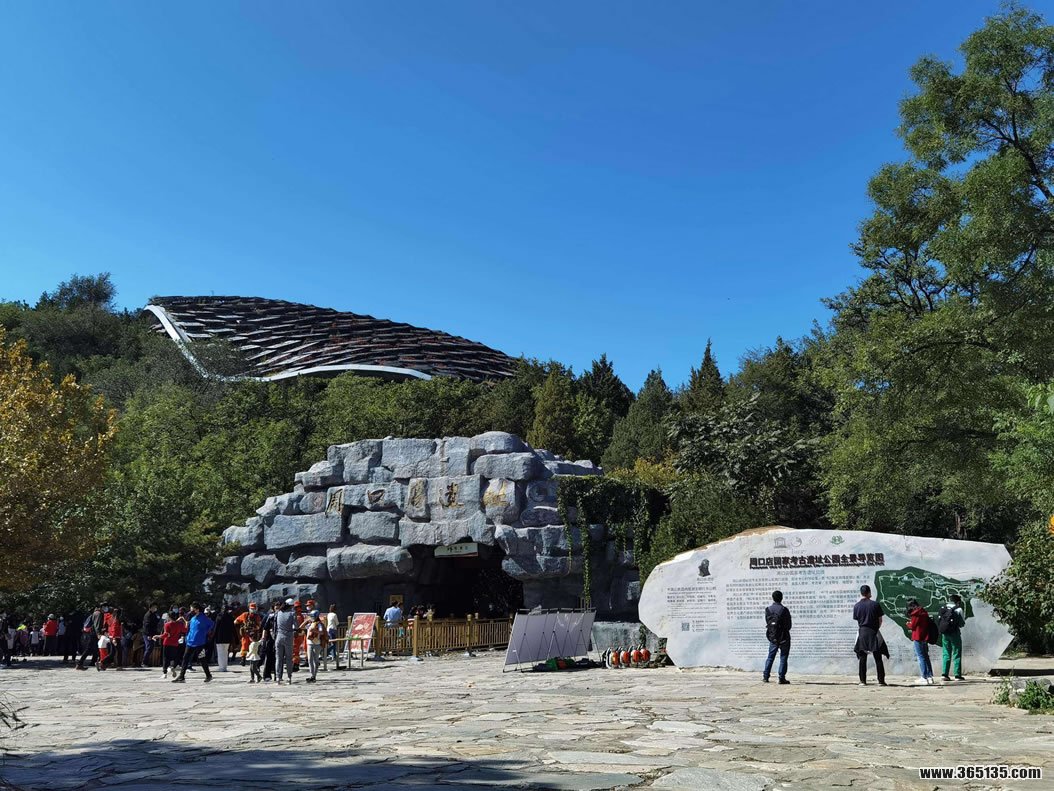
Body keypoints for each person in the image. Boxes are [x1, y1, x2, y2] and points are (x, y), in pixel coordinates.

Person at [852, 585, 888, 686]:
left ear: (861, 593)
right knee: (878, 657)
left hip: (862, 633)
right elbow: (880, 620)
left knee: (862, 658)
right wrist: (876, 628)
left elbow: (857, 619)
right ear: (869, 592)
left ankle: (862, 680)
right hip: (873, 632)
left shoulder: (857, 606)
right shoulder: (875, 604)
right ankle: (881, 680)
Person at [172, 603, 214, 684]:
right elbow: (190, 628)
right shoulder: (193, 618)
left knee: (202, 659)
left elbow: (212, 624)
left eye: (192, 610)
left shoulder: (204, 618)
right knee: (185, 658)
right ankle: (181, 676)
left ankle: (208, 675)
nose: (191, 611)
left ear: (197, 609)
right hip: (190, 642)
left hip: (199, 643)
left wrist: (205, 632)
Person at [762, 590, 792, 684]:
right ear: (781, 598)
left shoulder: (768, 609)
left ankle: (766, 676)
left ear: (773, 598)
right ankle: (781, 678)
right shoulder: (784, 610)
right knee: (783, 657)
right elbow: (789, 625)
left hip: (773, 637)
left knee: (770, 657)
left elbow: (768, 622)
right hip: (784, 637)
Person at [938, 594, 967, 682]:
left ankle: (944, 674)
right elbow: (962, 624)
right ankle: (957, 675)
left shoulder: (943, 608)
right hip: (955, 634)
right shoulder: (959, 609)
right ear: (957, 602)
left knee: (946, 653)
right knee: (956, 653)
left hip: (945, 634)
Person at [906, 598, 935, 685]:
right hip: (924, 637)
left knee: (920, 657)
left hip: (917, 637)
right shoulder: (923, 612)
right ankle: (929, 677)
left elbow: (913, 626)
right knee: (926, 656)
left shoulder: (915, 614)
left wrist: (908, 624)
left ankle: (924, 677)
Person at [273, 599, 300, 685]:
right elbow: (296, 626)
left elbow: (275, 626)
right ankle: (289, 677)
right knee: (289, 658)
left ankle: (278, 677)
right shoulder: (292, 614)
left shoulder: (278, 613)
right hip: (288, 637)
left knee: (278, 658)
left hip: (279, 636)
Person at [75, 605, 105, 671]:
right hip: (95, 634)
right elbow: (97, 624)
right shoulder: (99, 613)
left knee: (92, 649)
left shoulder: (95, 613)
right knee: (94, 648)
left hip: (93, 633)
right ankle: (101, 664)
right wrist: (98, 633)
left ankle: (81, 664)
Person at [160, 609, 185, 678]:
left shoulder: (167, 624)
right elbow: (185, 630)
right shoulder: (180, 624)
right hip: (175, 643)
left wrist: (158, 636)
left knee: (165, 658)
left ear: (169, 617)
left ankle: (164, 673)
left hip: (167, 642)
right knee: (173, 657)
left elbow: (166, 635)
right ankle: (172, 666)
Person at [304, 610, 325, 683]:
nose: (311, 617)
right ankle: (312, 675)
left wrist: (314, 630)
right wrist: (306, 621)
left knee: (315, 660)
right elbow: (301, 627)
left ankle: (314, 675)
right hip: (309, 643)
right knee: (310, 659)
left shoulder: (319, 624)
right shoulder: (310, 623)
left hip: (317, 643)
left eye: (312, 616)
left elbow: (321, 632)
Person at [213, 605, 235, 672]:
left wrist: (213, 637)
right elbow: (233, 628)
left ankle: (221, 667)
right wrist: (235, 638)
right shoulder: (230, 617)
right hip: (227, 638)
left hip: (219, 638)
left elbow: (216, 628)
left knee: (220, 653)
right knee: (225, 653)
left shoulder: (219, 617)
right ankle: (224, 667)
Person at [141, 604, 161, 668]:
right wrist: (149, 635)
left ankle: (146, 662)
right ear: (150, 608)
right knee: (149, 647)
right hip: (147, 634)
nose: (155, 608)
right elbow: (147, 625)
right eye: (154, 607)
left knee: (150, 647)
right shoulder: (148, 615)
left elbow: (156, 622)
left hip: (152, 633)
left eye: (156, 607)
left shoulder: (154, 614)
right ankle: (144, 662)